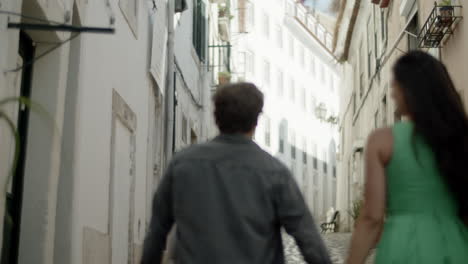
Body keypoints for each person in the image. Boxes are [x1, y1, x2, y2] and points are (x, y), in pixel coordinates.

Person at [141, 82, 331, 264]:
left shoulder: (181, 164)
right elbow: (308, 239)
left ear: (216, 117)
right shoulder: (275, 172)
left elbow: (157, 232)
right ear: (256, 120)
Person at [346, 51, 468, 264]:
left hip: (403, 248)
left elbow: (372, 218)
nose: (392, 93)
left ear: (410, 89)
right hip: (456, 247)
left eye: (395, 85)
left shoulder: (382, 140)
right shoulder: (460, 138)